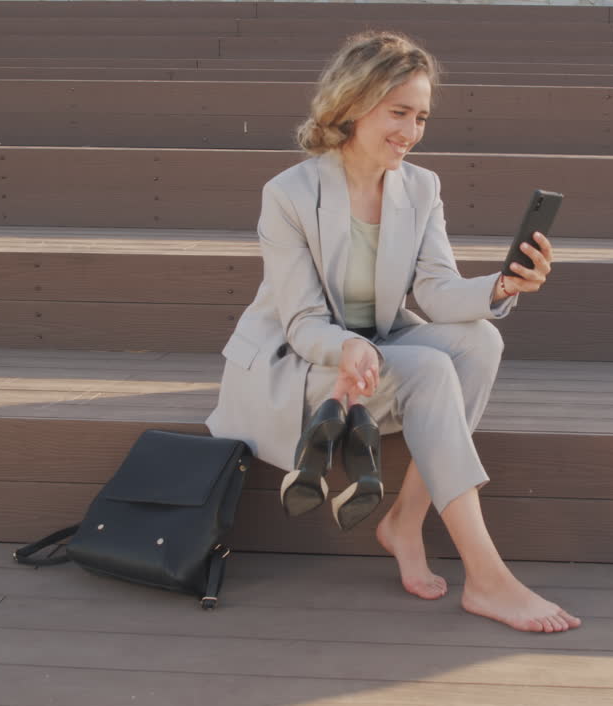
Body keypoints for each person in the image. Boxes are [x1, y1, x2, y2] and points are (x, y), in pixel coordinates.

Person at [206, 31, 580, 633]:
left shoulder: (420, 187)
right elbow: (302, 322)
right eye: (399, 112)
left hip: (375, 344)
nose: (412, 130)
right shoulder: (289, 194)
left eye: (422, 116)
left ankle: (406, 520)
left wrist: (503, 287)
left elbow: (434, 290)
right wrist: (348, 344)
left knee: (482, 341)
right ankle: (486, 577)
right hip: (300, 360)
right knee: (432, 368)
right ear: (354, 103)